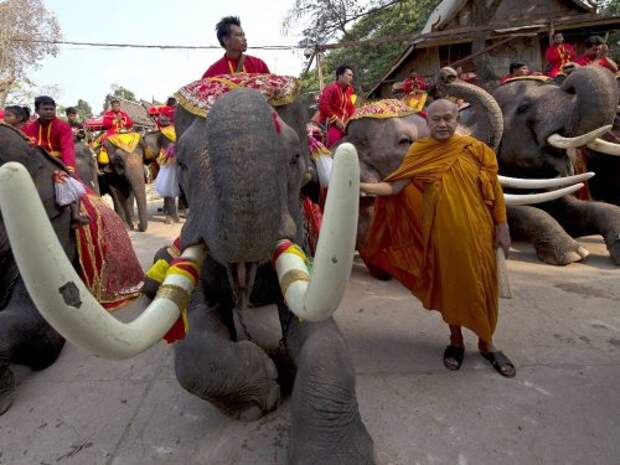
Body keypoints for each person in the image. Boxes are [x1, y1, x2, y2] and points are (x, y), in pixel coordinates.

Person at [360, 99, 516, 378]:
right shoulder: (420, 151)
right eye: (436, 119)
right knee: (450, 288)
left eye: (448, 118)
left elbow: (494, 191)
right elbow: (395, 186)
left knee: (483, 288)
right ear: (427, 122)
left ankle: (487, 344)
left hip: (480, 233)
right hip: (441, 235)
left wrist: (502, 226)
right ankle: (455, 341)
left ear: (457, 120)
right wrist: (357, 184)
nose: (442, 124)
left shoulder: (476, 150)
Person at [22, 96, 88, 228]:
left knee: (66, 181)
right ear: (37, 110)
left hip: (58, 162)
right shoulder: (28, 128)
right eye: (45, 109)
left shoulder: (63, 126)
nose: (49, 112)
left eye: (52, 109)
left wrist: (68, 167)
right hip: (35, 162)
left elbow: (67, 148)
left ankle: (75, 214)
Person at [202, 16, 270, 78]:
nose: (244, 39)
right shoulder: (212, 73)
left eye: (243, 35)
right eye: (239, 35)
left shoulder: (259, 64)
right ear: (226, 40)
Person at [318, 64, 356, 147]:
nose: (351, 78)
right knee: (335, 149)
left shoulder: (349, 91)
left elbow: (351, 109)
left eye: (352, 76)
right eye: (349, 75)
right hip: (331, 126)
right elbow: (323, 105)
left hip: (345, 126)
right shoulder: (331, 88)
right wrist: (336, 120)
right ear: (340, 75)